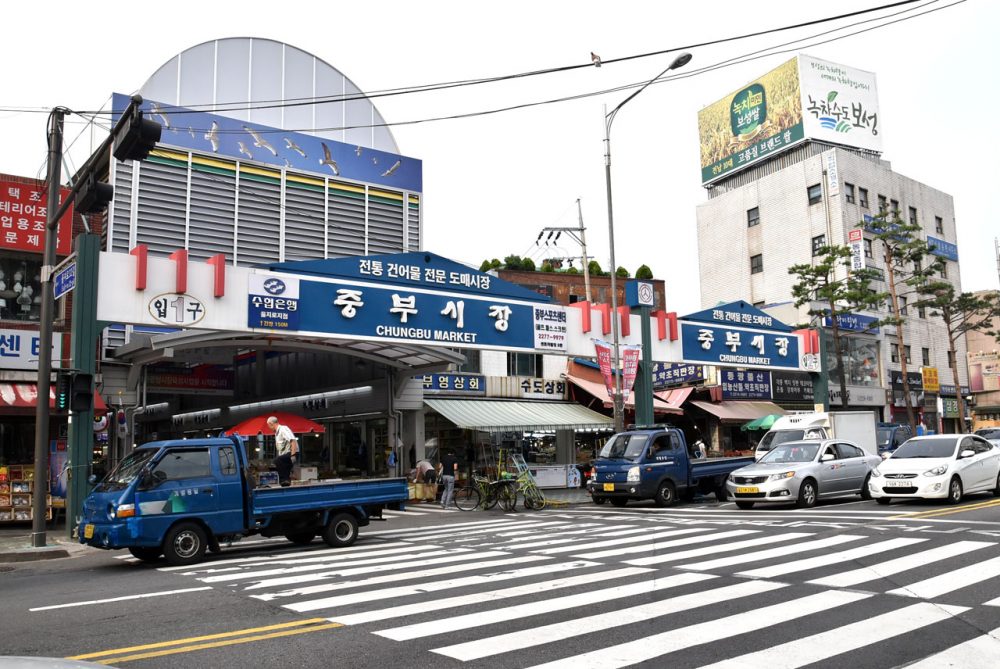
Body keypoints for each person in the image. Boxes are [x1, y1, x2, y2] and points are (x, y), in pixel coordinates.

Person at [268, 416, 299, 487]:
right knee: (282, 465)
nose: (269, 428)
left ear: (271, 424)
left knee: (277, 460)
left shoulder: (283, 429)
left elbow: (293, 440)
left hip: (292, 453)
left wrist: (293, 455)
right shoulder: (277, 433)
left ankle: (284, 480)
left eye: (269, 426)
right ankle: (286, 482)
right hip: (286, 455)